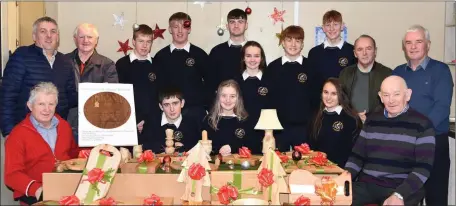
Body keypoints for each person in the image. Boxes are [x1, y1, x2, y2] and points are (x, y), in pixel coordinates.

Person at [345, 75, 436, 206]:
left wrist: (400, 194)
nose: (391, 100)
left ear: (408, 94)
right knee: (332, 198)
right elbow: (357, 157)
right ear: (380, 97)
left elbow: (423, 168)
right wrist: (345, 178)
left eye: (396, 94)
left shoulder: (423, 124)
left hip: (401, 187)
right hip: (367, 185)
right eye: (386, 95)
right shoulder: (371, 120)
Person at [392, 24, 454, 206]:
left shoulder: (441, 71)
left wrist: (418, 133)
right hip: (404, 147)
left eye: (418, 42)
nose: (413, 46)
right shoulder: (397, 73)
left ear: (428, 44)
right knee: (405, 198)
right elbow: (391, 106)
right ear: (404, 47)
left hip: (434, 144)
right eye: (408, 43)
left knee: (436, 198)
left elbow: (441, 108)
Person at [0, 16, 77, 138]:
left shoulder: (65, 61)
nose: (49, 36)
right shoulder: (21, 55)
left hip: (56, 130)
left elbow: (71, 96)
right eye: (43, 31)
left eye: (53, 31)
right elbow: (7, 95)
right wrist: (8, 131)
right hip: (26, 130)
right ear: (34, 36)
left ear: (57, 36)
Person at [4, 82, 78, 205]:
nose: (47, 109)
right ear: (30, 105)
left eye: (51, 104)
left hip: (67, 190)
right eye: (41, 104)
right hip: (36, 196)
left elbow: (73, 153)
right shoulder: (17, 134)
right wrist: (37, 190)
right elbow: (12, 175)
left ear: (56, 105)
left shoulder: (64, 126)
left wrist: (93, 148)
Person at [265, 25, 319, 151]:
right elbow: (268, 99)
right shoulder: (273, 68)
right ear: (283, 43)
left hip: (305, 129)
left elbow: (317, 99)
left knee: (304, 165)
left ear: (302, 44)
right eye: (289, 40)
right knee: (278, 166)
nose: (293, 44)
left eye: (298, 40)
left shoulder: (311, 67)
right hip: (278, 129)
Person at [154, 12, 210, 124]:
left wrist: (207, 108)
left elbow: (210, 84)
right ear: (170, 29)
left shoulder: (200, 55)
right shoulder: (160, 56)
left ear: (189, 29)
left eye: (184, 27)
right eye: (175, 27)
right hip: (169, 115)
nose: (180, 31)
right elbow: (156, 88)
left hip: (196, 113)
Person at [65, 23, 118, 141]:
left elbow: (110, 97)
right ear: (75, 39)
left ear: (96, 41)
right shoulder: (63, 61)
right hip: (68, 122)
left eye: (89, 37)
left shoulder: (107, 65)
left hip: (96, 124)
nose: (85, 41)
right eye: (81, 37)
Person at [116, 24, 160, 134]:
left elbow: (160, 95)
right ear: (133, 42)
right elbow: (118, 96)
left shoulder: (158, 64)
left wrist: (148, 120)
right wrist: (135, 120)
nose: (145, 45)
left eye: (148, 42)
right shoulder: (121, 64)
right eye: (141, 41)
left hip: (153, 122)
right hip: (128, 122)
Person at [309, 78, 362, 167]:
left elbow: (357, 152)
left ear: (341, 95)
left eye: (334, 94)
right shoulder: (315, 116)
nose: (328, 97)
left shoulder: (351, 119)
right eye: (326, 92)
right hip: (317, 169)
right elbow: (310, 146)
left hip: (342, 171)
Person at [339, 34, 391, 122]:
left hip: (379, 127)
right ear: (355, 53)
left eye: (368, 48)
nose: (364, 53)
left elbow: (392, 103)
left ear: (375, 51)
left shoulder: (387, 74)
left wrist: (371, 118)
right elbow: (341, 102)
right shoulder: (345, 74)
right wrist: (354, 115)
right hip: (351, 125)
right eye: (360, 49)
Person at [140, 87, 201, 153]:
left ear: (182, 103)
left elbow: (197, 149)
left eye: (175, 103)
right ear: (161, 106)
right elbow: (145, 147)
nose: (172, 109)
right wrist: (170, 148)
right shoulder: (151, 123)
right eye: (166, 105)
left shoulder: (192, 124)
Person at [235, 41, 269, 154]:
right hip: (239, 135)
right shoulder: (235, 81)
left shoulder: (270, 79)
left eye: (256, 56)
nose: (252, 59)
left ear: (262, 58)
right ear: (243, 58)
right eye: (248, 56)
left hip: (263, 135)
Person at [308, 10, 356, 89]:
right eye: (328, 25)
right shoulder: (314, 53)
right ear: (323, 28)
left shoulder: (352, 51)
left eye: (335, 24)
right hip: (320, 100)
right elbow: (311, 83)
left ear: (342, 26)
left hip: (344, 100)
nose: (332, 28)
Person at [208, 8, 248, 101]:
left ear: (246, 25)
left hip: (249, 105)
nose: (236, 25)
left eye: (240, 21)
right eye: (232, 22)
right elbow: (209, 83)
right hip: (222, 105)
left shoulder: (254, 51)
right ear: (227, 26)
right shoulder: (216, 51)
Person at [203, 80, 249, 154]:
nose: (228, 100)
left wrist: (232, 147)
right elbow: (203, 147)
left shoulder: (246, 120)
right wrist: (217, 150)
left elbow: (252, 145)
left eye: (232, 96)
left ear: (238, 98)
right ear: (218, 97)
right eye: (224, 96)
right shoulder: (209, 120)